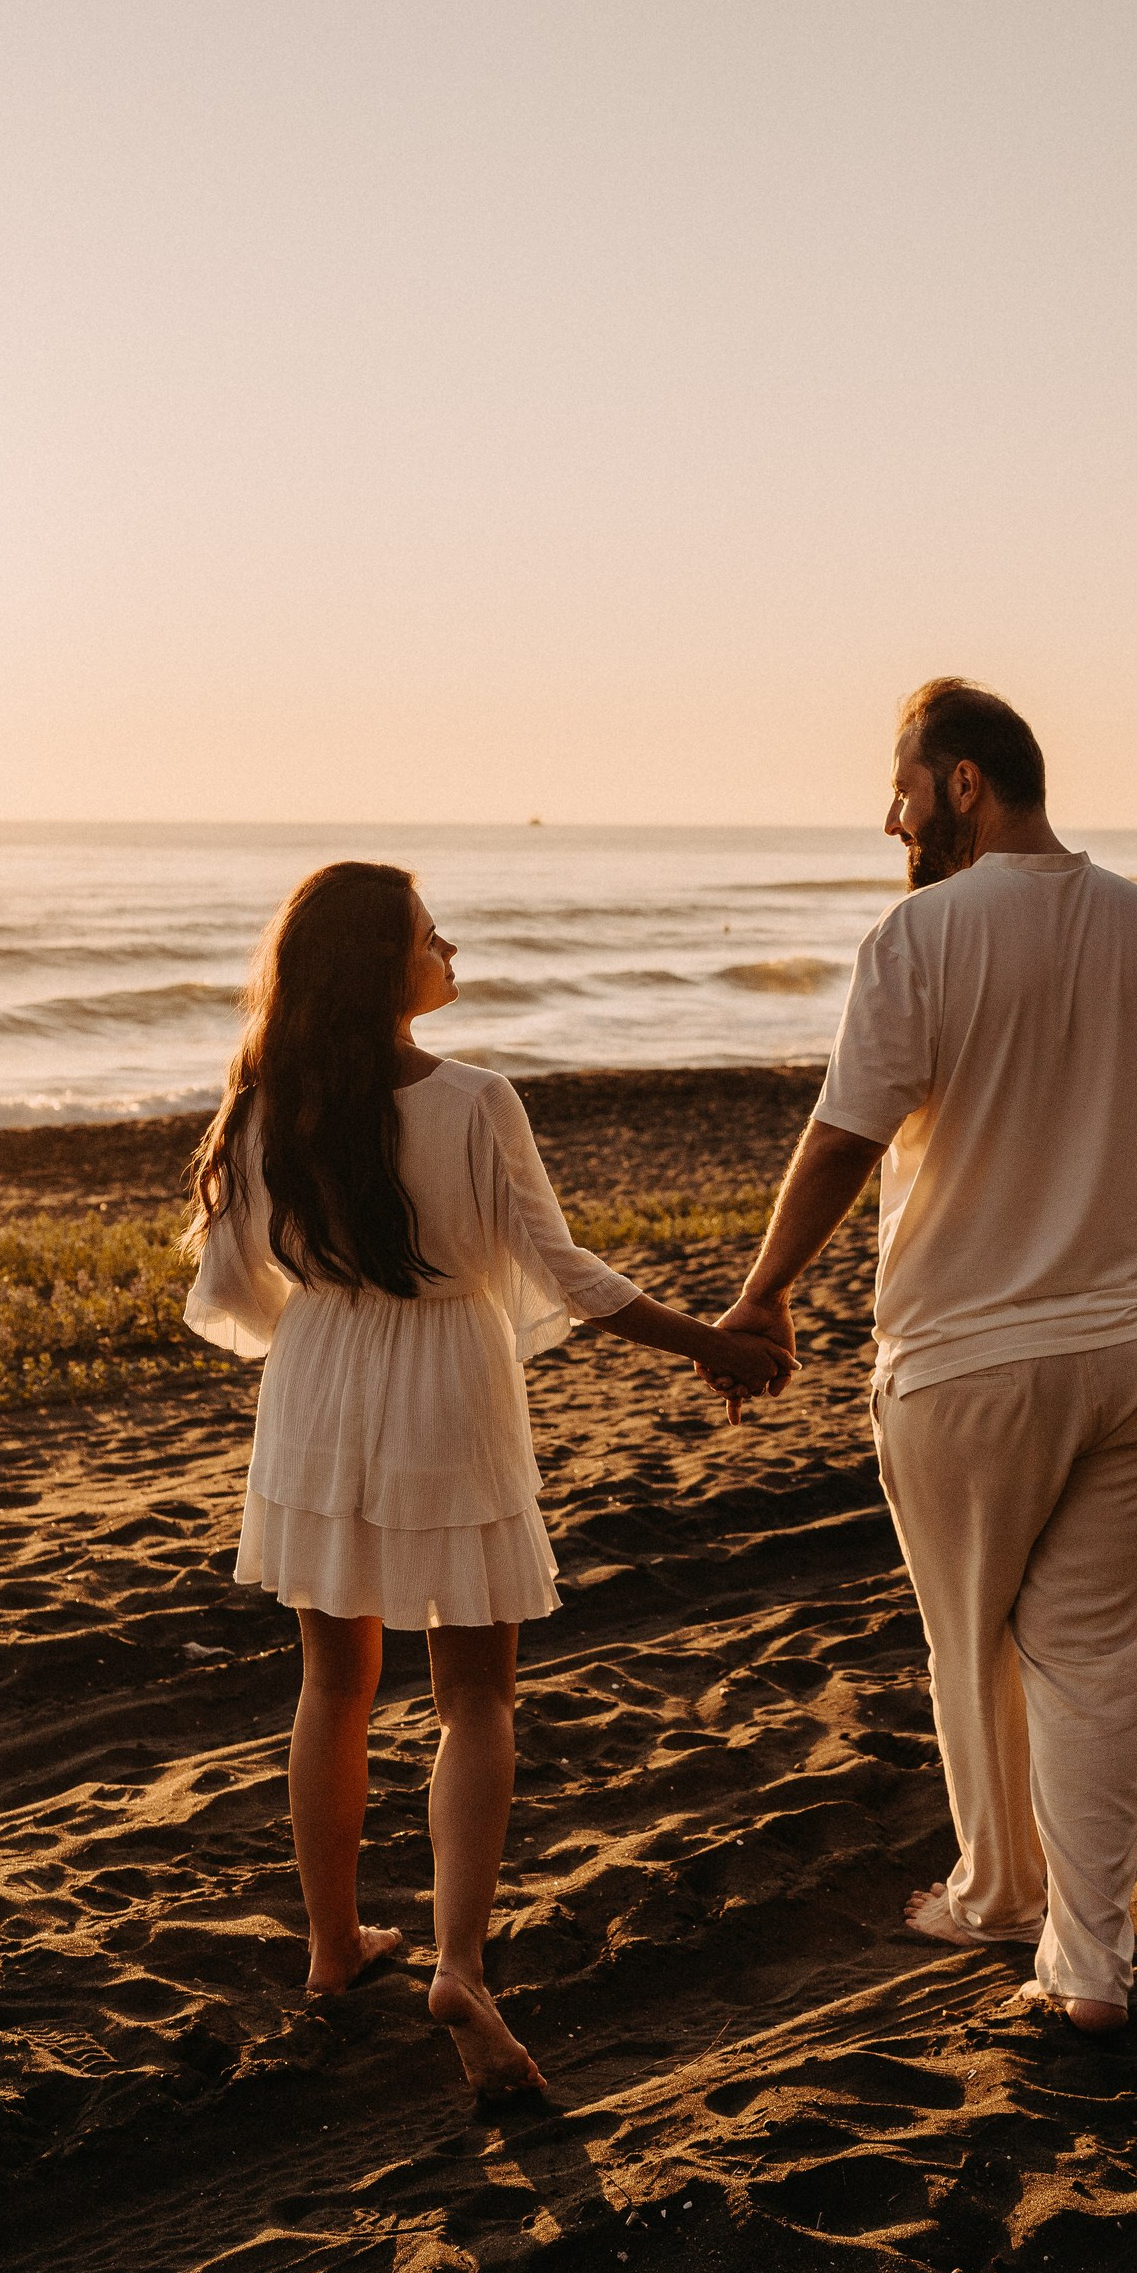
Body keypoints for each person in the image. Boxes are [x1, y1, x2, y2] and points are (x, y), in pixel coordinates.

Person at [184, 859, 791, 2093]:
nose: (447, 946)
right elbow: (568, 1276)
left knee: (331, 1681)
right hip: (448, 1391)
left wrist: (333, 1318)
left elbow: (237, 1287)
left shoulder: (262, 1108)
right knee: (475, 1694)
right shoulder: (474, 1100)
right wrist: (713, 1347)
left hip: (315, 1386)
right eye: (426, 933)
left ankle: (332, 1942)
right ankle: (456, 1960)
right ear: (378, 968)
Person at [714, 681, 1137, 2032]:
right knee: (1098, 1659)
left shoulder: (920, 936)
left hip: (971, 1360)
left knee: (972, 1641)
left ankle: (1002, 1895)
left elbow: (845, 1136)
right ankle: (1093, 1964)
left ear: (959, 782)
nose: (888, 817)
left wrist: (761, 1293)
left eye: (901, 786)